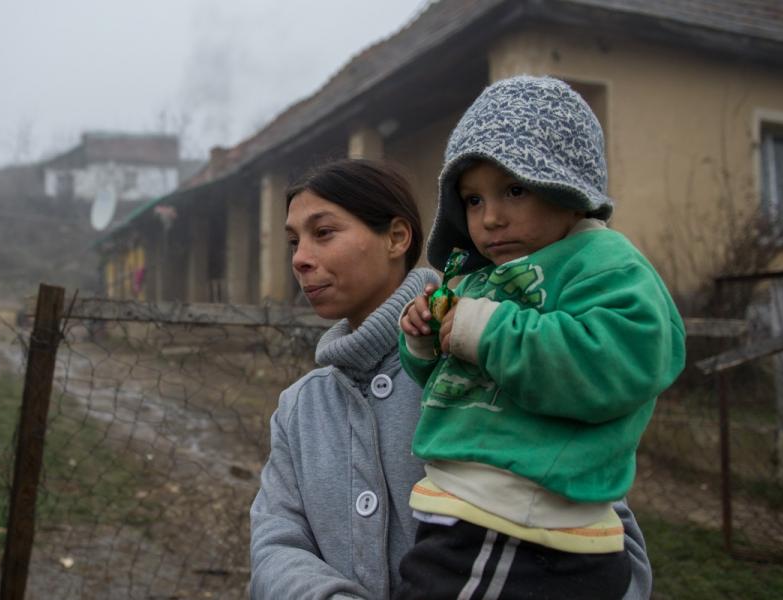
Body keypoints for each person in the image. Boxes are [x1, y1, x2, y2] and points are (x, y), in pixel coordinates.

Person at [249, 158, 654, 599]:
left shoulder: (497, 357)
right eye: (293, 242)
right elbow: (276, 543)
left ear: (397, 237)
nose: (301, 260)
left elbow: (612, 550)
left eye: (323, 233)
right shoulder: (300, 408)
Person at [395, 76, 685, 599]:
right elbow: (451, 377)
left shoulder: (603, 262)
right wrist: (425, 340)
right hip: (472, 512)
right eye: (473, 200)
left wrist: (482, 329)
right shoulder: (480, 274)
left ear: (571, 189)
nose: (490, 219)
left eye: (515, 189)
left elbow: (619, 359)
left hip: (520, 526)